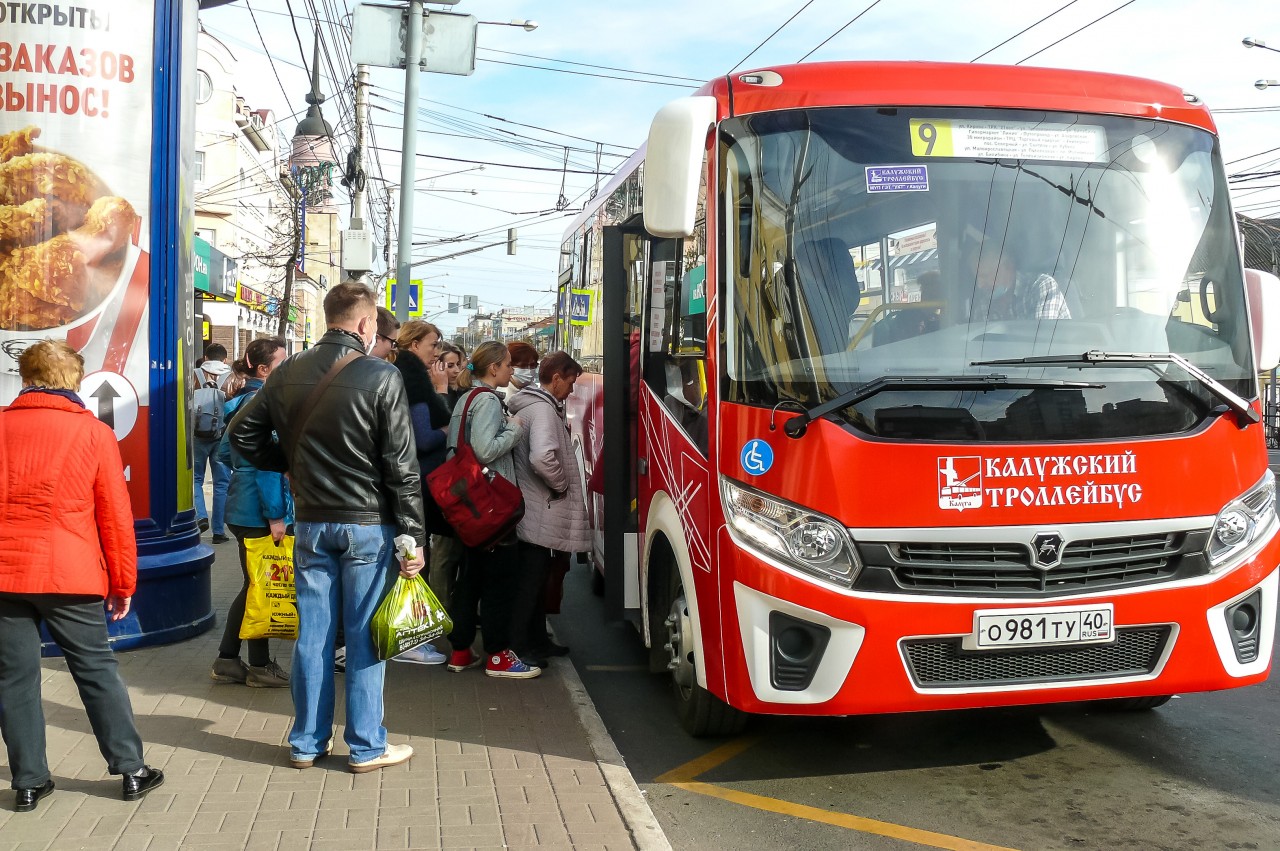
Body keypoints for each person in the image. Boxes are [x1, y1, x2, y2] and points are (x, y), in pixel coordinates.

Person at [228, 282, 426, 773]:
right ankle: (366, 746)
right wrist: (413, 537)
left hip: (312, 523)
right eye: (375, 323)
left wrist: (291, 459)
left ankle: (306, 743)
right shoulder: (382, 375)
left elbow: (242, 434)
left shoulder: (288, 370)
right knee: (364, 635)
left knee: (313, 635)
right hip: (367, 526)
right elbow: (401, 466)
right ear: (364, 324)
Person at [0, 340, 164, 811]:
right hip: (70, 573)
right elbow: (115, 516)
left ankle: (28, 781)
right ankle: (131, 770)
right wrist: (123, 582)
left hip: (8, 575)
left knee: (14, 678)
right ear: (73, 382)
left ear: (26, 379)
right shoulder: (93, 434)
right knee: (95, 671)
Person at [443, 341, 539, 679]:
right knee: (499, 582)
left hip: (468, 506)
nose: (513, 371)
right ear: (494, 368)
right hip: (491, 508)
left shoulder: (466, 399)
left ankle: (460, 650)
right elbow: (484, 451)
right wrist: (514, 429)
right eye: (509, 365)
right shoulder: (486, 401)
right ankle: (497, 654)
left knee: (470, 580)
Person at [210, 336, 292, 689]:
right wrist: (276, 515)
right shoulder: (266, 403)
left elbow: (226, 455)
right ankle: (252, 664)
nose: (288, 368)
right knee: (260, 585)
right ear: (263, 368)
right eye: (281, 363)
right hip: (259, 511)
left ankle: (232, 660)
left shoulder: (240, 401)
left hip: (241, 505)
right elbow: (267, 466)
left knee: (255, 584)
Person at [507, 352, 590, 667]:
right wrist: (560, 486)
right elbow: (542, 457)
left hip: (535, 508)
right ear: (556, 378)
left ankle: (537, 641)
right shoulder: (542, 410)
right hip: (540, 509)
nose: (571, 390)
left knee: (537, 580)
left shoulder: (536, 406)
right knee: (530, 582)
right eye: (569, 383)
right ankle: (521, 647)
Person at [390, 320, 453, 666]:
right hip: (420, 483)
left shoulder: (408, 373)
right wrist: (448, 428)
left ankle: (413, 634)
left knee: (413, 561)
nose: (437, 351)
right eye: (433, 344)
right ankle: (410, 636)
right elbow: (421, 438)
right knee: (415, 562)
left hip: (417, 482)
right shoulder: (412, 378)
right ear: (414, 344)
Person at [428, 342, 467, 615]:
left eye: (457, 364)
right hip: (440, 480)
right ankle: (440, 609)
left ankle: (458, 606)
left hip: (462, 480)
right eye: (447, 365)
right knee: (442, 551)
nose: (453, 371)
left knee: (459, 549)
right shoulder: (433, 395)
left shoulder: (464, 393)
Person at [968, 238, 1071, 321]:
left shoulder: (1042, 287)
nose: (980, 285)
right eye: (977, 278)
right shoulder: (984, 304)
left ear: (1008, 266)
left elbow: (1042, 341)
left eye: (985, 276)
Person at [193, 342, 232, 544]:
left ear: (206, 358)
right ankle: (219, 531)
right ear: (224, 360)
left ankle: (200, 516)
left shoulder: (194, 375)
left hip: (197, 435)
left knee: (196, 479)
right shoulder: (233, 378)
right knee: (221, 484)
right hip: (222, 437)